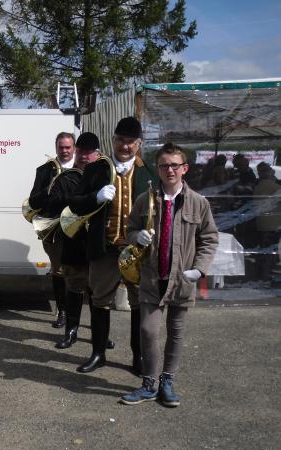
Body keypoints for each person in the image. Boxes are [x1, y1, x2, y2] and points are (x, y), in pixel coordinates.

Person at [120, 143, 218, 407]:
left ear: (184, 168)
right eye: (164, 165)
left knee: (176, 332)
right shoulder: (146, 199)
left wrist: (199, 269)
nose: (170, 170)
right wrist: (135, 237)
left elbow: (209, 238)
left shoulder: (198, 203)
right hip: (152, 278)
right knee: (148, 331)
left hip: (182, 280)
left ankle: (167, 381)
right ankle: (148, 383)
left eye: (175, 165)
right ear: (158, 169)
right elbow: (129, 230)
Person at [68, 117, 157, 374]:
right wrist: (94, 197)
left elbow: (157, 212)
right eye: (120, 140)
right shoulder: (96, 170)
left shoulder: (148, 173)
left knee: (139, 302)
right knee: (99, 300)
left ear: (139, 144)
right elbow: (75, 203)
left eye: (130, 142)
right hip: (104, 248)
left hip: (137, 252)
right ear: (113, 140)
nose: (125, 146)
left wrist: (147, 234)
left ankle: (138, 357)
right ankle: (98, 353)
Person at [48, 132, 101, 349]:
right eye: (81, 151)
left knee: (98, 294)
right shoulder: (66, 178)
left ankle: (100, 334)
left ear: (97, 154)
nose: (84, 156)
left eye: (89, 152)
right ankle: (71, 331)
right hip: (73, 243)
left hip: (97, 245)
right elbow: (55, 206)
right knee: (74, 289)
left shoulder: (105, 177)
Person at [28, 132, 76, 329]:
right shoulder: (45, 170)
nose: (64, 151)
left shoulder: (84, 167)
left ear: (73, 148)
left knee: (81, 272)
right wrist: (47, 190)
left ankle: (77, 314)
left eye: (68, 147)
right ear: (56, 147)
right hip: (54, 229)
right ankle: (62, 312)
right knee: (58, 271)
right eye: (61, 147)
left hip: (79, 228)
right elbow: (33, 201)